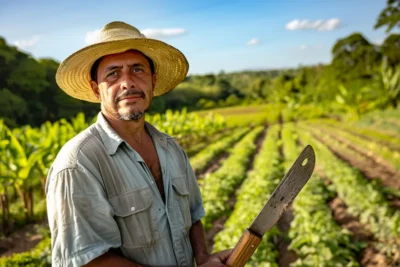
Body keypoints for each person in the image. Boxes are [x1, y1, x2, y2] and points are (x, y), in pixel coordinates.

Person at [45, 21, 231, 267]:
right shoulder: (78, 162)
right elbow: (88, 261)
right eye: (112, 73)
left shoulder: (170, 148)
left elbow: (193, 215)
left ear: (152, 81)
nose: (127, 82)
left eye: (137, 70)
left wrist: (204, 257)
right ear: (95, 89)